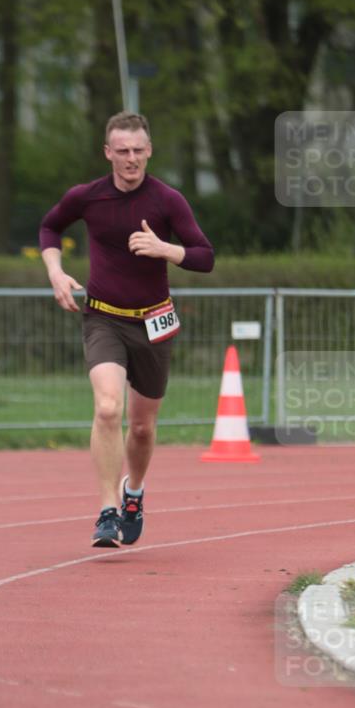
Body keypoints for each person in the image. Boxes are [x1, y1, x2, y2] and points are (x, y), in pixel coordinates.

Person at [39, 111, 214, 547]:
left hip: (154, 321)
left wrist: (164, 249)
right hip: (103, 317)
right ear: (108, 153)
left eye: (138, 150)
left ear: (149, 150)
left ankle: (132, 491)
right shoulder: (87, 197)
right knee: (107, 408)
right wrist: (56, 273)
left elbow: (204, 256)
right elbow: (50, 227)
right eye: (122, 151)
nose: (131, 159)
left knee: (141, 428)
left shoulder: (167, 200)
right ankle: (106, 511)